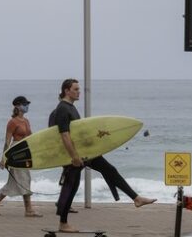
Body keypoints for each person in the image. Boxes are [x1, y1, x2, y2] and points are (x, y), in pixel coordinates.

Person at [52, 78, 156, 232]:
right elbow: (64, 135)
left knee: (109, 170)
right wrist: (73, 157)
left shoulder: (71, 108)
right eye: (75, 89)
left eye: (78, 89)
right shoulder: (62, 109)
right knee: (71, 187)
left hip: (85, 153)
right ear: (67, 91)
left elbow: (78, 133)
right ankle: (63, 223)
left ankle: (136, 198)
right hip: (74, 156)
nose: (79, 91)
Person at [0, 96, 43, 218]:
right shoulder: (12, 122)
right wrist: (3, 158)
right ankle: (28, 210)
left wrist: (37, 150)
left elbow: (30, 138)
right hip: (15, 152)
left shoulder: (26, 121)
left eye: (27, 104)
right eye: (25, 104)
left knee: (19, 180)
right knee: (23, 179)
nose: (27, 106)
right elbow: (7, 141)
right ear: (18, 106)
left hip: (25, 152)